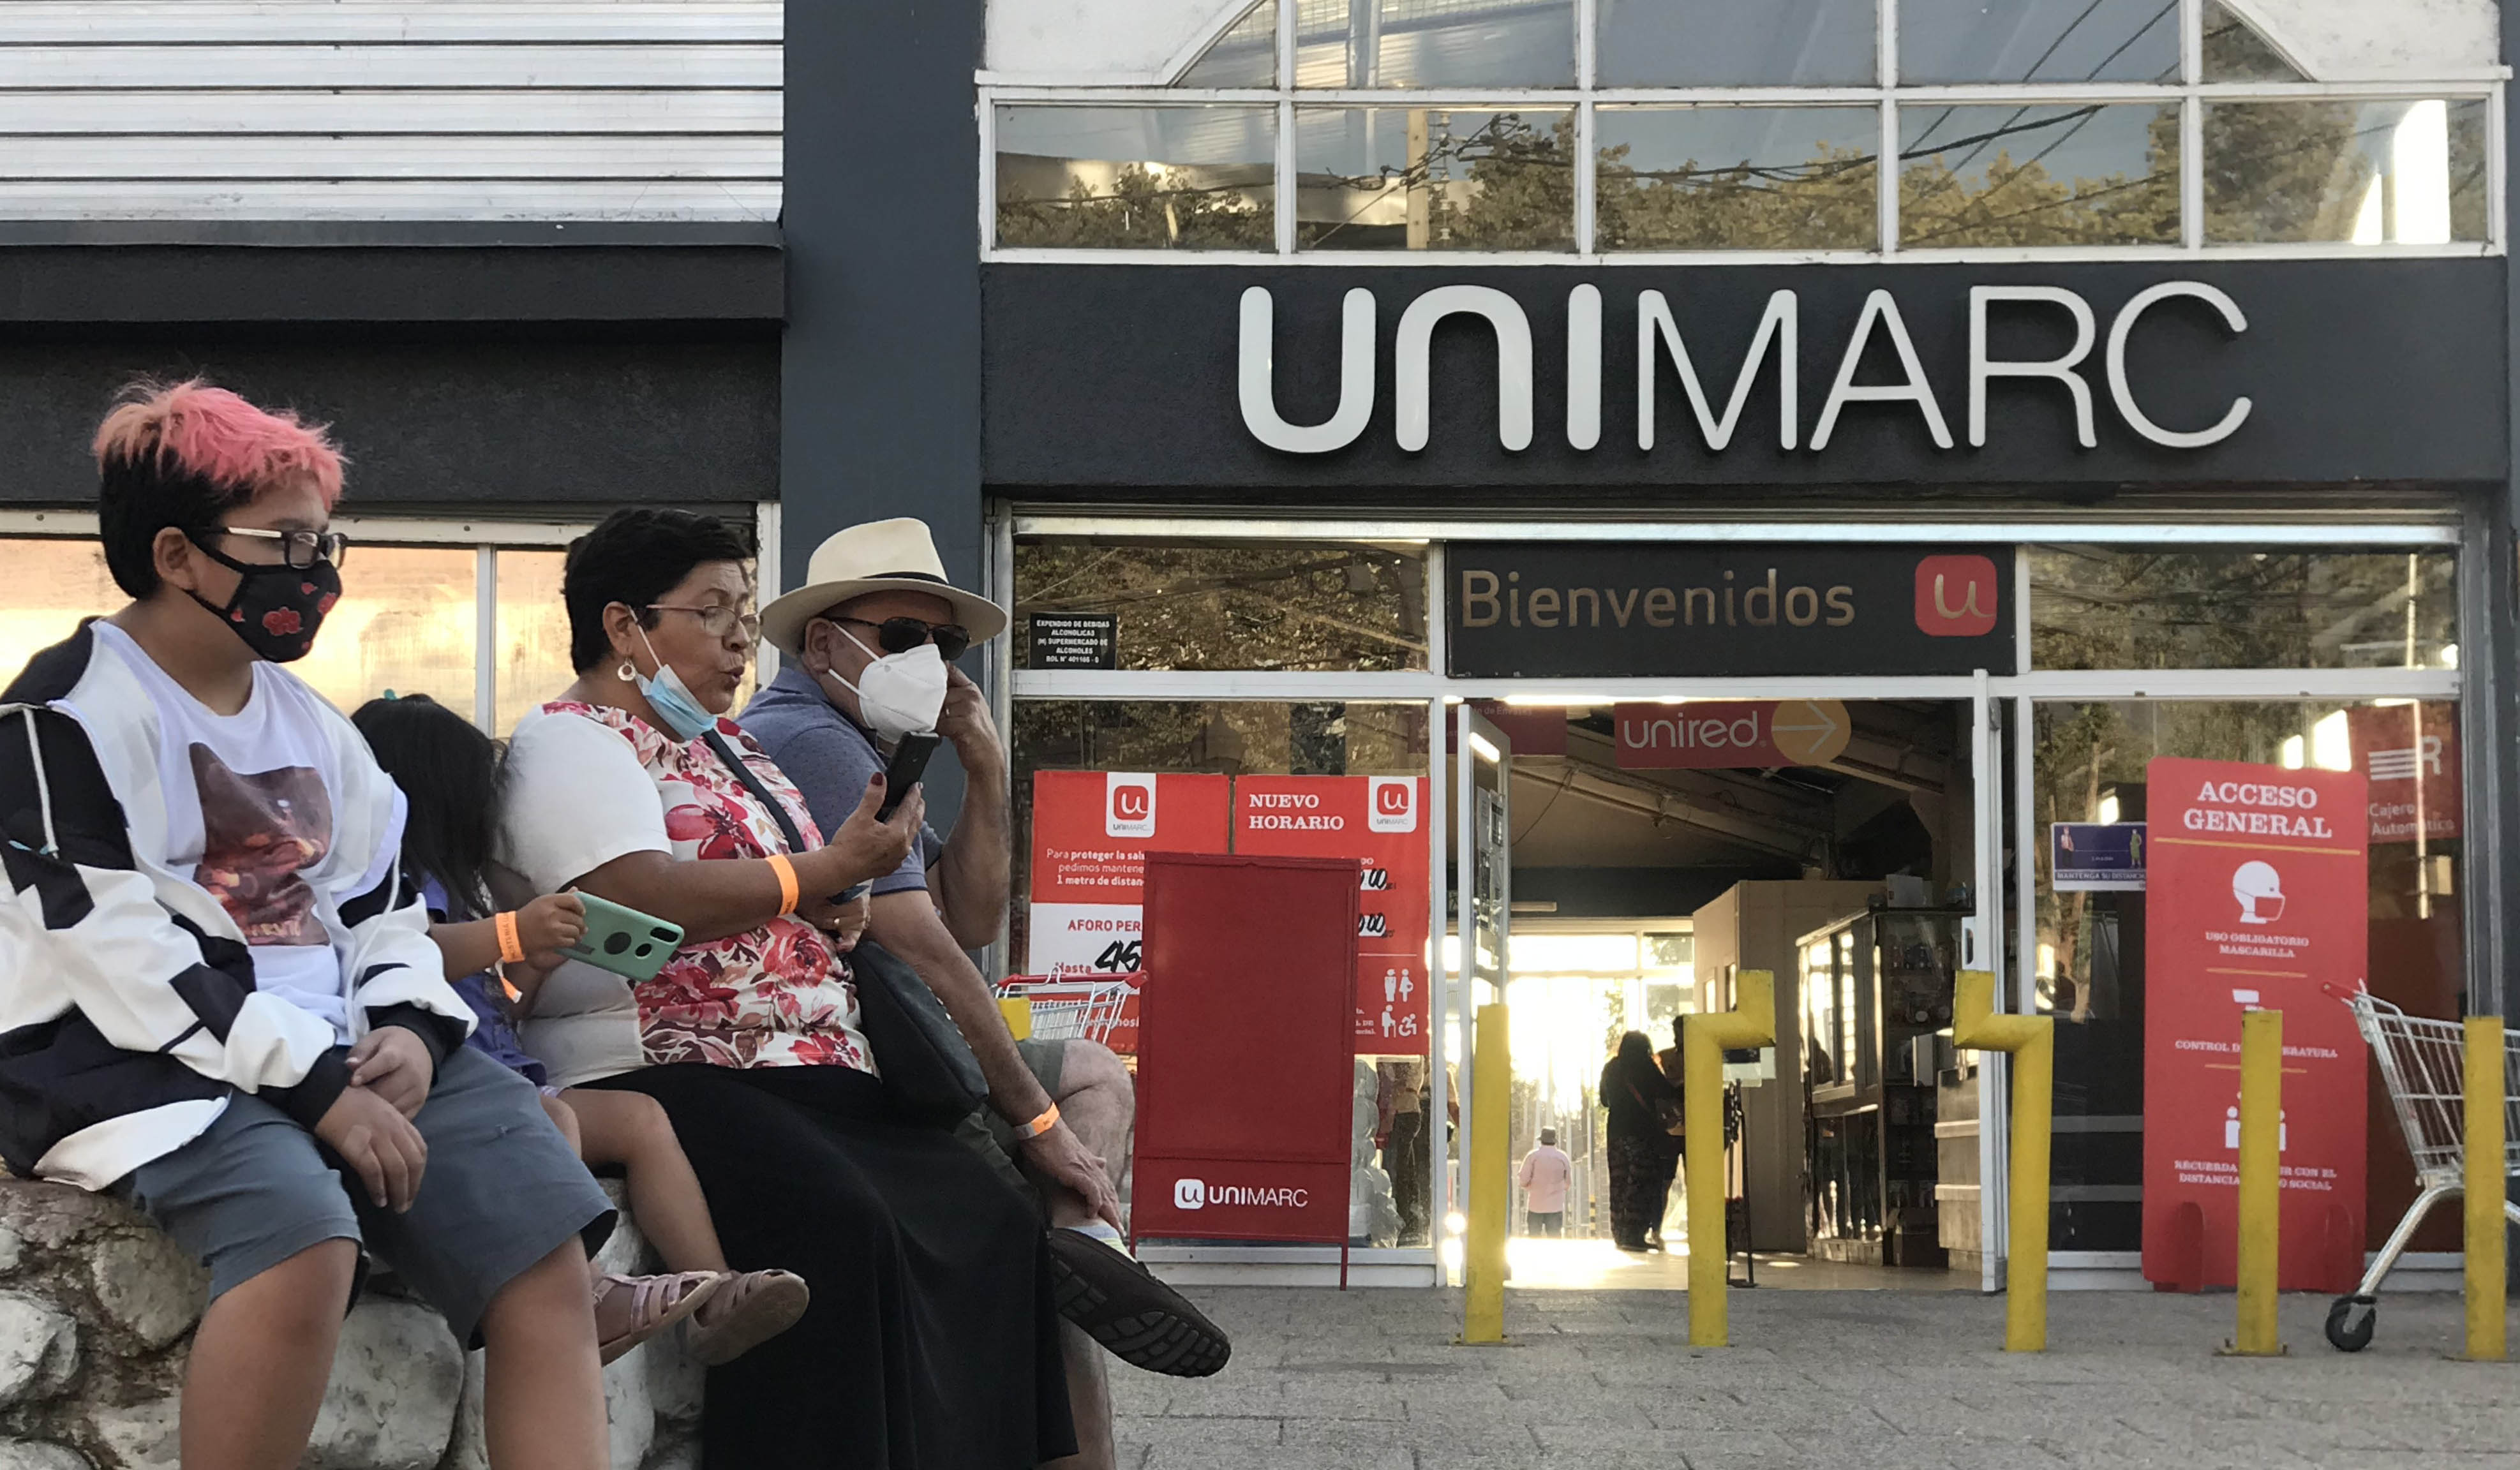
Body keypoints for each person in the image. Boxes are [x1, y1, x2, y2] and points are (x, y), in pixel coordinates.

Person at [0, 381, 614, 1470]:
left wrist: (413, 1033)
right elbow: (117, 951)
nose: (316, 569)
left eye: (323, 538)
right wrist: (315, 1085)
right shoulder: (61, 714)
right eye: (283, 539)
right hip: (126, 1051)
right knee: (300, 1240)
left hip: (329, 1042)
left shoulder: (317, 726)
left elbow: (384, 909)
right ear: (179, 554)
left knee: (541, 1255)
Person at [493, 507, 1076, 1469]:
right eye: (711, 611)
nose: (735, 639)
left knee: (991, 1216)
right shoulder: (572, 740)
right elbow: (637, 891)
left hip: (812, 1067)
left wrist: (829, 901)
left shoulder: (734, 751)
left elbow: (814, 887)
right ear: (623, 627)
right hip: (672, 1068)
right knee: (837, 1222)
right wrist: (814, 878)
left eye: (741, 610)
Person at [742, 520, 1233, 1465]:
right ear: (821, 643)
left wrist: (985, 759)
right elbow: (928, 949)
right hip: (858, 1052)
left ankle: (1081, 1250)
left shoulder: (870, 739)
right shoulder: (810, 736)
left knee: (1091, 1080)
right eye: (901, 637)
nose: (927, 660)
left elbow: (969, 912)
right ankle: (1080, 1251)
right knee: (1062, 1195)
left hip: (887, 1036)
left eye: (945, 643)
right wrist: (1036, 1124)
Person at [351, 692, 811, 1366]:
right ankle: (587, 1292)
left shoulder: (467, 889)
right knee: (556, 1123)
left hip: (505, 1080)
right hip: (453, 1098)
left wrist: (532, 965)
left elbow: (497, 1014)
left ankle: (717, 1297)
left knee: (642, 1121)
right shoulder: (397, 886)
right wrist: (511, 931)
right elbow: (411, 948)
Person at [1600, 1030, 1677, 1253]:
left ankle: (1619, 1232)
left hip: (1616, 1133)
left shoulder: (1611, 1068)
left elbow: (1605, 1101)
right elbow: (1666, 1091)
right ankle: (1635, 1234)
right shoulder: (1647, 1066)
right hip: (1643, 1133)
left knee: (1619, 1182)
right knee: (1641, 1182)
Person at [1648, 1016, 1689, 1252]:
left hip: (1698, 1127)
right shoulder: (1663, 1057)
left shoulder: (1705, 1055)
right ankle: (1657, 1230)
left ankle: (1698, 1228)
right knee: (1664, 1183)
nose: (1677, 1036)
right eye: (1676, 1031)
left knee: (1698, 1183)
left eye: (1681, 1031)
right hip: (1670, 1129)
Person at [1517, 1127, 1572, 1238]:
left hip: (1535, 1205)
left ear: (1541, 1140)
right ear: (1554, 1140)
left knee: (1534, 1239)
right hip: (1555, 1206)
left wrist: (1530, 1186)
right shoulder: (1562, 1158)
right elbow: (1567, 1184)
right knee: (1554, 1240)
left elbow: (1523, 1180)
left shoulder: (1532, 1156)